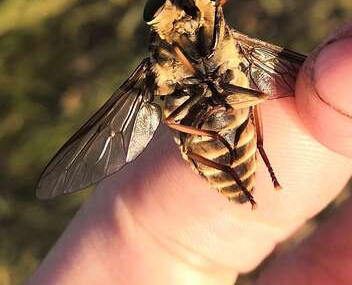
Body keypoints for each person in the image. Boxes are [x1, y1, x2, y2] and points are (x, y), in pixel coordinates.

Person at [25, 24, 352, 285]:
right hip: (203, 136)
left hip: (228, 125)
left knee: (256, 97)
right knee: (194, 114)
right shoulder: (163, 60)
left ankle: (257, 157)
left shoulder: (225, 41)